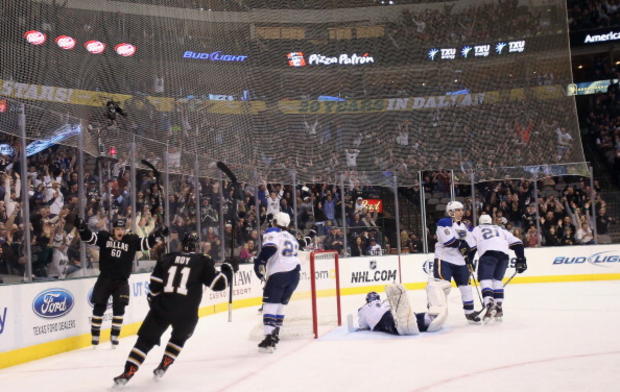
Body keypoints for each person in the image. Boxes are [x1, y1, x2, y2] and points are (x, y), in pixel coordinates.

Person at [113, 233, 236, 386]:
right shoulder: (203, 260)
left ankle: (128, 372)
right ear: (197, 247)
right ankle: (164, 366)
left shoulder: (167, 257)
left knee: (144, 341)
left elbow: (154, 286)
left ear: (181, 245)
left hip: (163, 307)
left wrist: (156, 305)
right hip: (187, 313)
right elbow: (218, 284)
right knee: (178, 339)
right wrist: (229, 270)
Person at [76, 217, 168, 348]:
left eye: (122, 229)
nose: (120, 231)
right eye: (118, 229)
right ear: (113, 229)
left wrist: (157, 235)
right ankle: (95, 336)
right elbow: (89, 238)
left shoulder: (131, 240)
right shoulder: (104, 237)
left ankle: (114, 336)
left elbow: (146, 244)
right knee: (99, 307)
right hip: (105, 279)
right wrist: (82, 229)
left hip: (122, 281)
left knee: (119, 309)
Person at [253, 212, 300, 353]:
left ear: (275, 222)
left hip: (279, 273)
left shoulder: (273, 231)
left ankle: (269, 338)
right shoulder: (291, 237)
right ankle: (275, 334)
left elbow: (270, 248)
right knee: (280, 305)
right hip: (294, 274)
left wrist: (259, 261)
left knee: (269, 306)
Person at [470, 214, 527, 323]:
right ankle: (498, 306)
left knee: (485, 279)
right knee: (497, 280)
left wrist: (469, 261)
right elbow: (518, 243)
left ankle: (489, 304)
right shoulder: (500, 229)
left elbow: (472, 247)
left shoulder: (477, 229)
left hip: (488, 254)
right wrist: (521, 259)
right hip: (504, 256)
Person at [433, 201, 479, 323]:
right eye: (457, 210)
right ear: (450, 212)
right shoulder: (444, 222)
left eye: (461, 209)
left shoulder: (465, 226)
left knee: (466, 287)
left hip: (460, 261)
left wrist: (470, 259)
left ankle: (470, 313)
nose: (461, 212)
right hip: (444, 259)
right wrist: (461, 244)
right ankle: (435, 312)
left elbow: (473, 245)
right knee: (442, 287)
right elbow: (448, 242)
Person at [353, 282, 448, 335]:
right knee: (408, 316)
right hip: (389, 312)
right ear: (378, 298)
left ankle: (411, 323)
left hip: (381, 322)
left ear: (367, 300)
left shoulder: (363, 309)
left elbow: (363, 325)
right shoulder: (384, 303)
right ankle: (426, 318)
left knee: (396, 324)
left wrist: (360, 328)